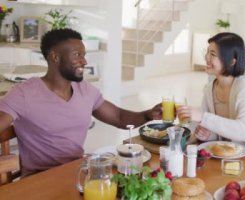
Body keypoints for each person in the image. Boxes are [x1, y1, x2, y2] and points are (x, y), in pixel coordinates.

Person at [0, 28, 162, 176]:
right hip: (41, 179)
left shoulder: (85, 90)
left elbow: (118, 117)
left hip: (76, 172)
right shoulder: (23, 93)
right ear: (55, 57)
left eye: (84, 55)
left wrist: (148, 114)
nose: (84, 61)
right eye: (77, 55)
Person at [177, 32, 245, 156]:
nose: (206, 58)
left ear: (232, 62)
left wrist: (203, 117)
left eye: (213, 54)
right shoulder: (209, 89)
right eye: (207, 52)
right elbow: (217, 131)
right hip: (227, 156)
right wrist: (207, 134)